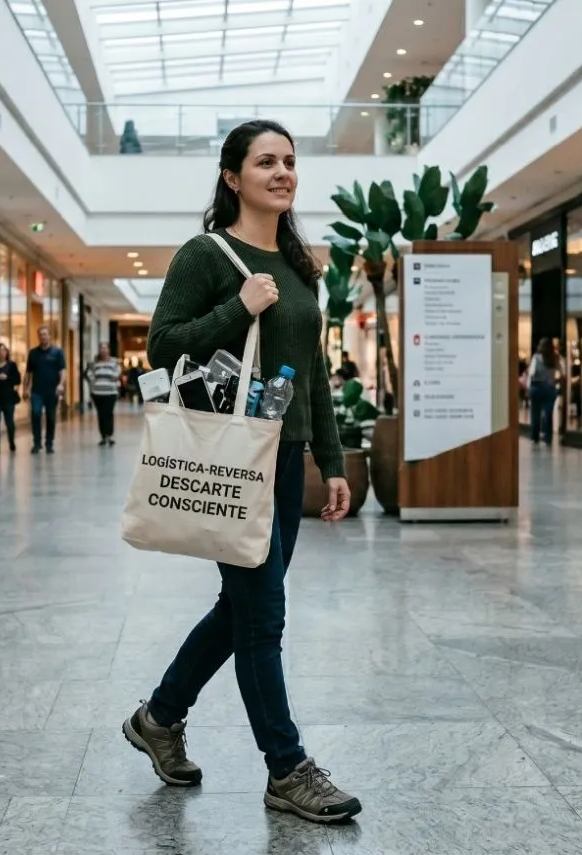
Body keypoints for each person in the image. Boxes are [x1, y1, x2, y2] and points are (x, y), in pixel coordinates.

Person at [121, 119, 362, 825]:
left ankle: (159, 716)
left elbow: (312, 372)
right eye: (266, 162)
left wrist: (331, 461)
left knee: (242, 608)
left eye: (289, 161)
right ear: (232, 177)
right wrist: (239, 307)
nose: (283, 172)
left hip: (282, 457)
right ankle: (287, 768)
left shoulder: (299, 264)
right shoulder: (207, 255)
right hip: (229, 456)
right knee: (262, 617)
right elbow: (162, 347)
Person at [23, 325, 66, 454]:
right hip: (37, 391)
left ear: (49, 336)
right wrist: (25, 389)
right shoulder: (33, 353)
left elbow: (63, 370)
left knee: (51, 417)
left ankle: (49, 443)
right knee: (35, 414)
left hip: (52, 391)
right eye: (41, 335)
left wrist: (61, 384)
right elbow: (28, 373)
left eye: (45, 334)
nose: (43, 337)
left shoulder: (57, 352)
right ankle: (37, 443)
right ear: (38, 337)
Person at [527, 337, 562, 445]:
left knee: (535, 413)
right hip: (550, 388)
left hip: (537, 387)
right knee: (548, 414)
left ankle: (535, 437)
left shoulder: (536, 357)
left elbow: (532, 373)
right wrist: (554, 381)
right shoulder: (555, 358)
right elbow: (561, 373)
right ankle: (548, 438)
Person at [86, 342, 119, 446]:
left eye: (105, 348)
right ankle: (103, 436)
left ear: (109, 350)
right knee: (101, 414)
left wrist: (112, 377)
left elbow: (117, 373)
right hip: (97, 393)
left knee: (108, 413)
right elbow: (89, 373)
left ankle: (109, 435)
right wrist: (93, 381)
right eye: (102, 348)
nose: (104, 350)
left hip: (110, 393)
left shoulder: (114, 362)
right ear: (99, 350)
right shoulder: (95, 362)